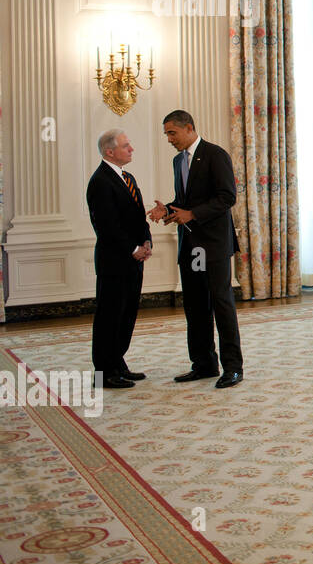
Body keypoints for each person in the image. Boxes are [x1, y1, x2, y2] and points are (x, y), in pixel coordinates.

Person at [146, 110, 244, 388]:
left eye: (171, 133)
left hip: (213, 245)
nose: (168, 139)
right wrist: (168, 208)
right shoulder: (178, 161)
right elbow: (185, 200)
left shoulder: (216, 154)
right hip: (190, 245)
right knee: (195, 305)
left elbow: (227, 197)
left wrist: (193, 214)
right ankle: (204, 364)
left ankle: (233, 368)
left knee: (221, 303)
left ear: (189, 128)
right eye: (166, 134)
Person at [86, 129, 152, 389]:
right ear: (109, 151)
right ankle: (104, 372)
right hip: (114, 260)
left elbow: (138, 217)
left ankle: (117, 363)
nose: (131, 149)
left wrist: (146, 242)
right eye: (126, 146)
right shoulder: (100, 181)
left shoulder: (128, 177)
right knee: (109, 316)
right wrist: (132, 248)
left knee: (126, 313)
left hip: (133, 259)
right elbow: (106, 225)